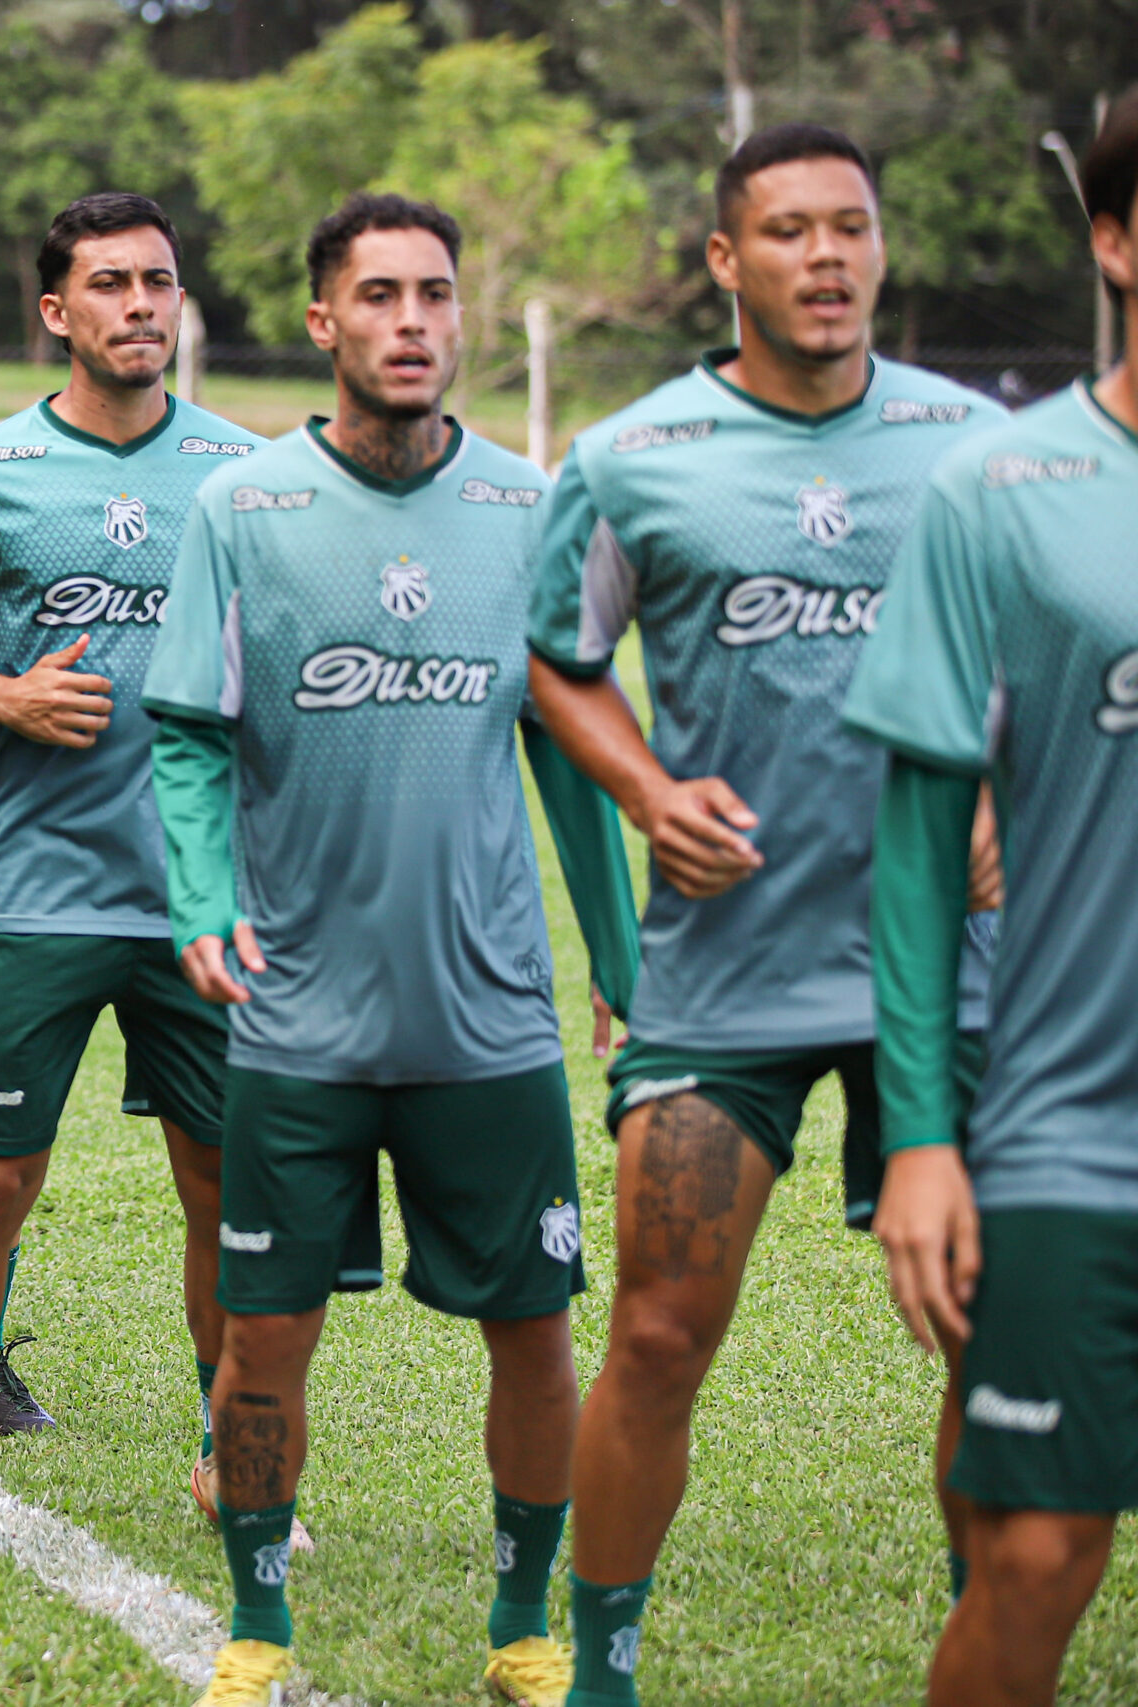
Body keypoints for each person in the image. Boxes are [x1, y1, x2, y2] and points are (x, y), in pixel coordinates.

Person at [522, 125, 1001, 1707]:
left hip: (966, 972)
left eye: (851, 226)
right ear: (727, 261)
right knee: (661, 1329)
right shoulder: (632, 454)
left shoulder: (982, 444)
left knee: (991, 1337)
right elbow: (556, 658)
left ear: (881, 243)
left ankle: (984, 1647)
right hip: (727, 971)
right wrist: (651, 793)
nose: (827, 255)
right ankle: (601, 1672)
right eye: (787, 230)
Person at [149, 194, 640, 1707]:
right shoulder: (245, 510)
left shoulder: (533, 507)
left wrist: (621, 965)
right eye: (380, 294)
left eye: (436, 291)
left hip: (490, 1020)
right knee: (263, 1344)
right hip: (295, 1016)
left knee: (536, 1337)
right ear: (322, 322)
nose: (415, 319)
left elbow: (575, 749)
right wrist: (200, 898)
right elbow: (187, 740)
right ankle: (259, 1617)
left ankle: (520, 1612)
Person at [0, 192, 255, 1569]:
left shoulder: (249, 474)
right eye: (111, 284)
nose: (141, 304)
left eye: (159, 281)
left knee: (220, 1186)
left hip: (201, 905)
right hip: (34, 892)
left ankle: (229, 1451)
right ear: (55, 312)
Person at [849, 90, 1138, 1707]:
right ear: (1112, 238)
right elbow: (914, 845)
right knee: (1039, 1550)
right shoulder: (1001, 490)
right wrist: (925, 1135)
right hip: (1074, 1127)